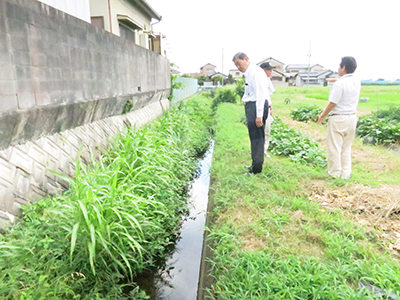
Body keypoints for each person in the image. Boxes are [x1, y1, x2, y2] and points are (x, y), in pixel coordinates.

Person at [317, 56, 361, 179]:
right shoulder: (356, 81)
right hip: (352, 118)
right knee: (346, 147)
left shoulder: (340, 84)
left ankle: (334, 173)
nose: (338, 68)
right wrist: (335, 80)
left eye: (339, 66)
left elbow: (333, 103)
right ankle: (345, 174)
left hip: (339, 118)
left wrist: (322, 115)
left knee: (334, 147)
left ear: (344, 67)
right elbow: (344, 83)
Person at [233, 52, 270, 174]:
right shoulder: (249, 74)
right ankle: (255, 165)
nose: (238, 67)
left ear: (246, 59)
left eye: (239, 63)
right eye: (236, 65)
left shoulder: (255, 72)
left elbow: (260, 95)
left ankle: (256, 169)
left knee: (257, 139)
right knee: (254, 137)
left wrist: (259, 115)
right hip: (252, 106)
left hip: (256, 107)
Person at [260, 62, 276, 158]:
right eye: (269, 70)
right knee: (260, 131)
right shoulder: (259, 80)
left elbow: (268, 96)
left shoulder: (268, 80)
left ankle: (264, 150)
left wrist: (271, 109)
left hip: (266, 107)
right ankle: (258, 150)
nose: (270, 72)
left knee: (267, 130)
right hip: (259, 107)